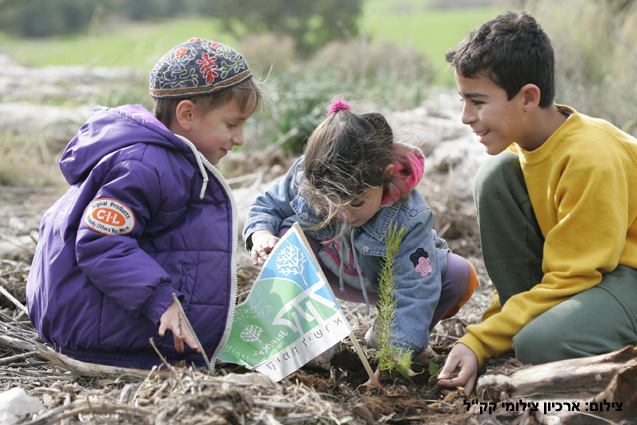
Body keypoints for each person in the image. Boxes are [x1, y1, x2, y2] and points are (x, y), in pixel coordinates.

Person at [26, 38, 262, 370]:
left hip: (106, 327)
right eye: (232, 124)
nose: (239, 139)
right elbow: (101, 242)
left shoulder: (169, 161)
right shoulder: (146, 165)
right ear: (187, 114)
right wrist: (160, 300)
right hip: (100, 337)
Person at [438, 10, 637, 394]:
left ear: (529, 97)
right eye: (463, 100)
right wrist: (491, 331)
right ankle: (540, 325)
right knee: (495, 176)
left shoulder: (589, 158)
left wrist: (480, 341)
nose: (465, 117)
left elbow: (573, 276)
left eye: (477, 101)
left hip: (629, 272)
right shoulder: (525, 153)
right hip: (598, 270)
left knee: (540, 344)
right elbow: (554, 270)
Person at [244, 98, 479, 362]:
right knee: (289, 232)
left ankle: (389, 334)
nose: (343, 214)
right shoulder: (310, 176)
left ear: (385, 175)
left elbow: (415, 288)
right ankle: (313, 338)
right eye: (331, 204)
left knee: (459, 275)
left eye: (356, 202)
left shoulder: (409, 216)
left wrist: (398, 350)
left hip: (387, 282)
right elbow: (267, 205)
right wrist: (261, 234)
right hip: (327, 268)